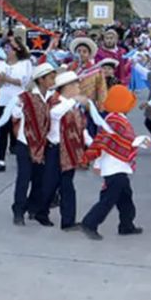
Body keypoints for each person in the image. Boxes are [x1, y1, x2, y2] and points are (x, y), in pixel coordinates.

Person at [78, 85, 147, 239]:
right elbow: (123, 140)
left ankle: (126, 225)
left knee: (125, 197)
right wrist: (140, 141)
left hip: (117, 166)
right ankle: (90, 223)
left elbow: (109, 142)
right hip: (115, 167)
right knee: (109, 199)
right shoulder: (116, 120)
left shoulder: (113, 118)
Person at [34, 70, 90, 229]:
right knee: (50, 184)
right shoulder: (56, 102)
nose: (79, 87)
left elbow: (81, 127)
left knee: (67, 185)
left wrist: (94, 144)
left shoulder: (72, 104)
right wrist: (73, 102)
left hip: (69, 149)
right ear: (67, 87)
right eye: (75, 84)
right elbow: (53, 114)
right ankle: (40, 212)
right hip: (55, 149)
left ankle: (68, 221)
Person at [3, 62, 56, 225]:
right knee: (24, 177)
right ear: (41, 80)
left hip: (44, 143)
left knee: (39, 178)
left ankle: (33, 207)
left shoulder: (52, 97)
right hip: (25, 142)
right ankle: (18, 210)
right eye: (51, 77)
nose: (53, 80)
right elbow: (15, 112)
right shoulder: (25, 97)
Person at [0, 40, 33, 173]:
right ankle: (1, 162)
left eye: (10, 48)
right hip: (3, 101)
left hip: (19, 101)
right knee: (3, 131)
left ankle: (25, 160)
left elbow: (24, 82)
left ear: (17, 50)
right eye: (5, 48)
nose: (7, 51)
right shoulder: (1, 64)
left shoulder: (25, 64)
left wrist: (7, 79)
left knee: (20, 131)